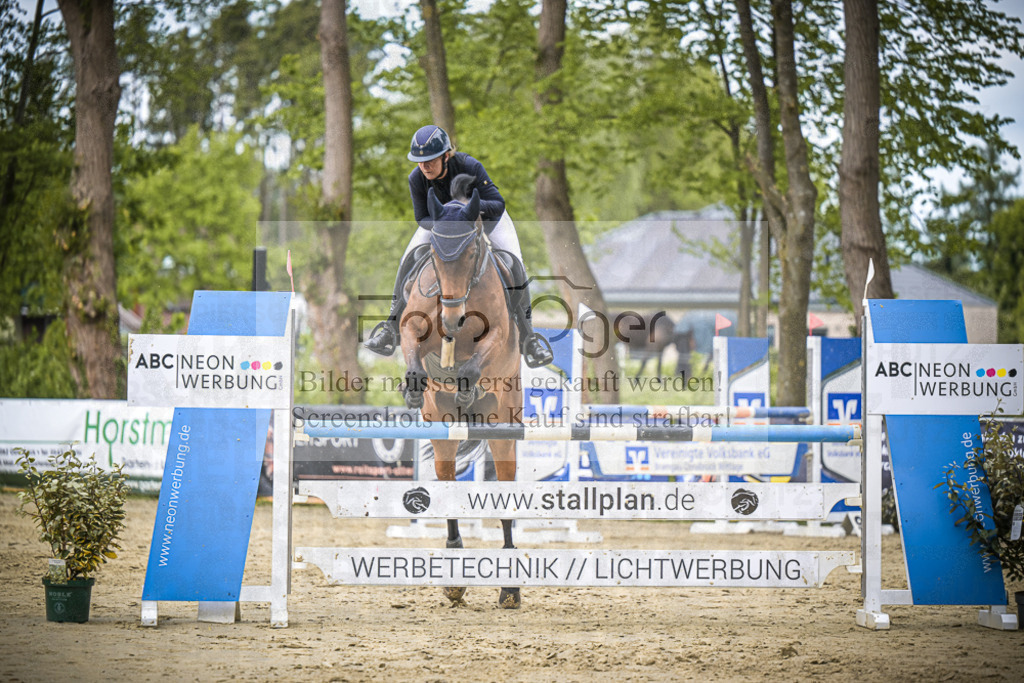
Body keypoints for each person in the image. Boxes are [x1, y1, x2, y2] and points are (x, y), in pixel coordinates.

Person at [364, 124, 553, 368]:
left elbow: (497, 203)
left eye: (431, 160)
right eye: (420, 161)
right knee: (408, 257)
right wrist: (448, 223)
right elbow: (421, 217)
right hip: (443, 229)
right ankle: (390, 327)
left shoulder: (470, 167)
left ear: (446, 155)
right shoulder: (416, 178)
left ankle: (529, 338)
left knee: (514, 260)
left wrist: (466, 213)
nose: (425, 166)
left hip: (486, 222)